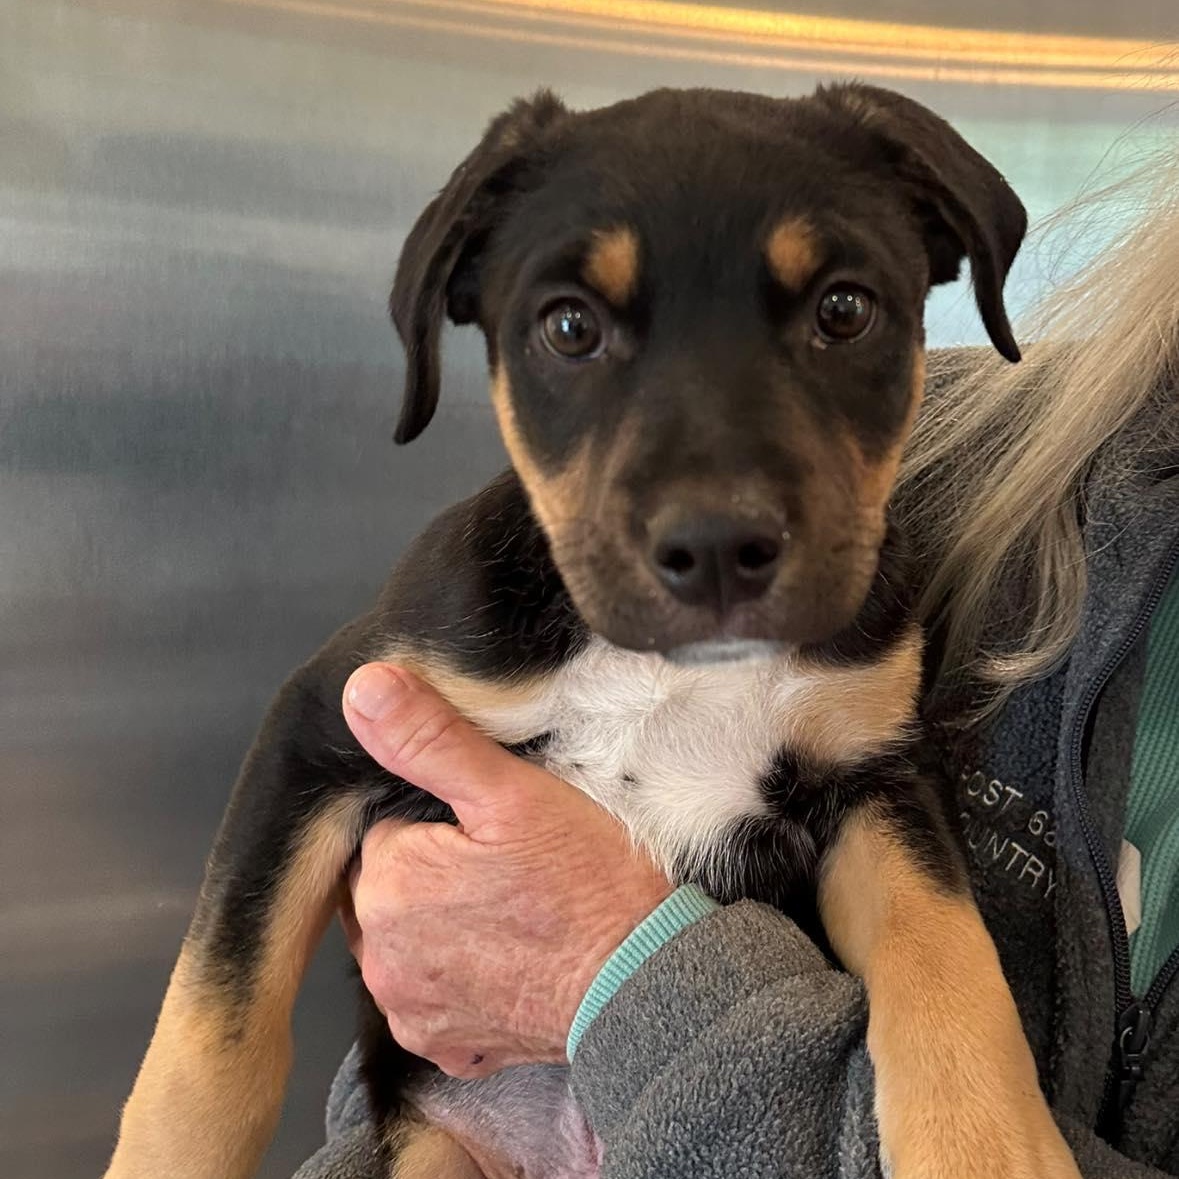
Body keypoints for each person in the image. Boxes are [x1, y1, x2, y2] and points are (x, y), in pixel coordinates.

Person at [294, 158, 1179, 1178]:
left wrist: (615, 973)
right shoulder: (957, 442)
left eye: (838, 316)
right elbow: (450, 973)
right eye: (577, 331)